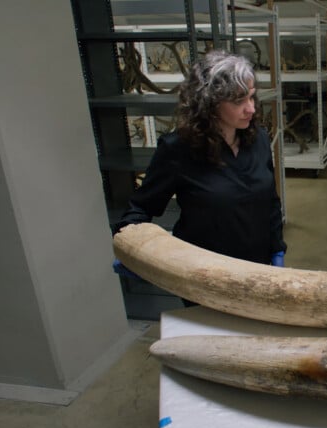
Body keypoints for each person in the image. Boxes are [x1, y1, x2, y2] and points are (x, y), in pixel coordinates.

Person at [114, 50, 286, 273]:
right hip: (204, 272)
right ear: (209, 102)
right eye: (238, 100)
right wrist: (132, 246)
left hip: (258, 267)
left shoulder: (258, 139)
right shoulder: (178, 150)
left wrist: (277, 248)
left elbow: (270, 201)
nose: (251, 108)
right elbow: (141, 207)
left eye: (251, 96)